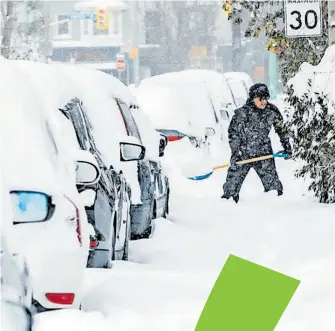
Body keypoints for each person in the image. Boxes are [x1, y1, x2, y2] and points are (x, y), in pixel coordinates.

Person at [221, 83, 292, 203]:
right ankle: (229, 207)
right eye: (260, 99)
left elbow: (282, 130)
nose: (263, 102)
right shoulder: (242, 113)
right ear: (253, 98)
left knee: (274, 189)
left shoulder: (272, 111)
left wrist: (287, 147)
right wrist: (235, 151)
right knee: (230, 190)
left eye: (266, 99)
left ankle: (275, 210)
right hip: (242, 153)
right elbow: (233, 134)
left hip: (263, 153)